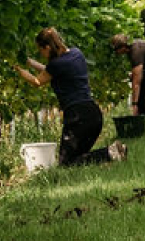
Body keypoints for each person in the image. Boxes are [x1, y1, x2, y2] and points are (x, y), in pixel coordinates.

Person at [14, 28, 126, 166]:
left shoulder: (56, 64)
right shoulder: (76, 53)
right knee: (78, 159)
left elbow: (37, 81)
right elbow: (50, 71)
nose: (41, 54)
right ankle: (112, 152)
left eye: (41, 50)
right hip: (93, 114)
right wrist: (29, 62)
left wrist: (18, 69)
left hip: (78, 117)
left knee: (67, 164)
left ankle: (110, 153)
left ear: (47, 47)